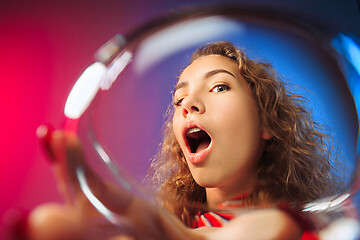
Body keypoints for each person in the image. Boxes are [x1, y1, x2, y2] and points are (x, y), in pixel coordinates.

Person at [23, 41, 339, 240]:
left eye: (219, 87)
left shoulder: (312, 226)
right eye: (179, 99)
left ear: (266, 123)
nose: (188, 104)